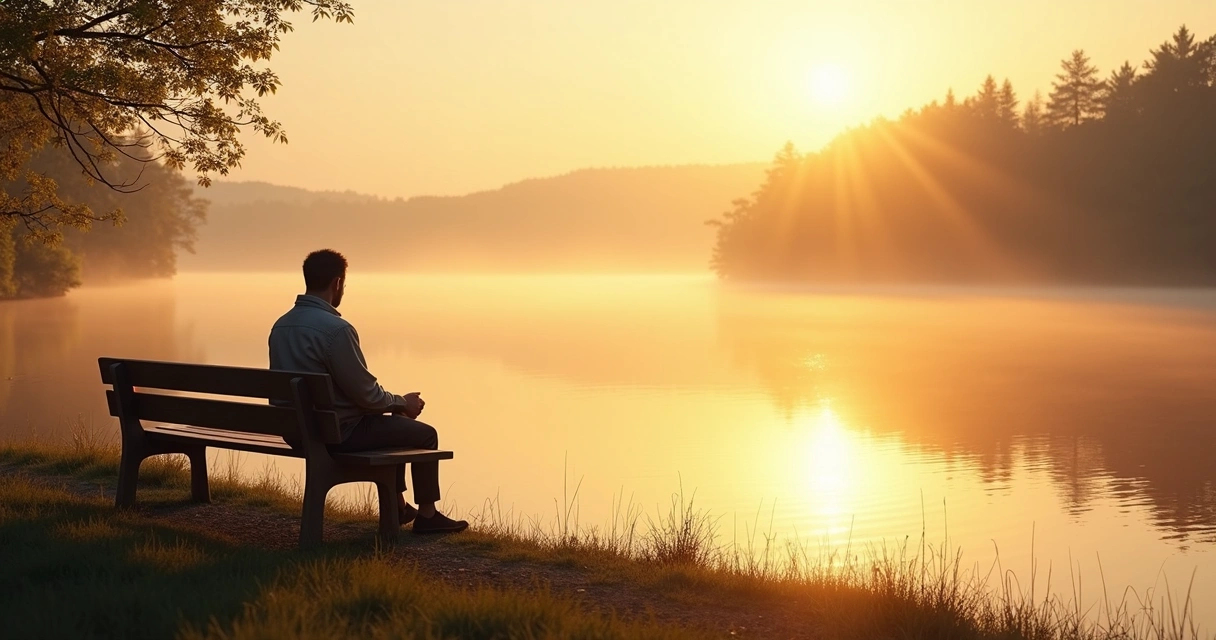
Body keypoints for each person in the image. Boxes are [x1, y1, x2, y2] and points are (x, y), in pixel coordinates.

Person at [268, 249, 467, 533]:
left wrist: (392, 407)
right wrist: (402, 403)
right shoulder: (336, 330)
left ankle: (398, 506)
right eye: (344, 286)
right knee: (424, 433)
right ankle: (427, 514)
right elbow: (368, 396)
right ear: (337, 283)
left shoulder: (281, 326)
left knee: (391, 424)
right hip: (337, 434)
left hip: (298, 431)